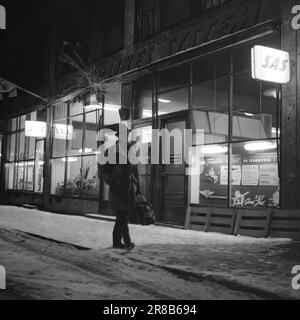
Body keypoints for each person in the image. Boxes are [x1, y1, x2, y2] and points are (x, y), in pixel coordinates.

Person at [99, 129, 140, 250]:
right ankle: (126, 242)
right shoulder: (113, 151)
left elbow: (134, 170)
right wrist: (112, 180)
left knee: (121, 216)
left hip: (125, 188)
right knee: (122, 216)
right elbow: (104, 170)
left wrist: (137, 187)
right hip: (118, 189)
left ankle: (118, 242)